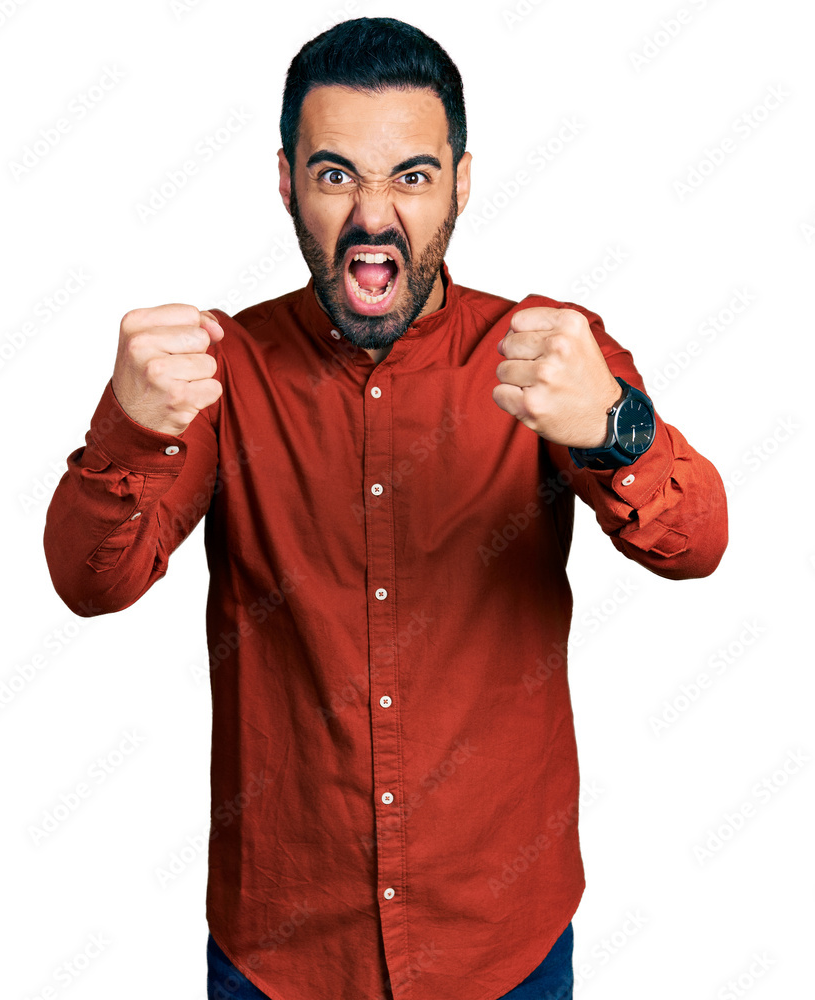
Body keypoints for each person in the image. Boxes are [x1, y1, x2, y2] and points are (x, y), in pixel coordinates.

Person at [43, 16, 728, 1000]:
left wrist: (610, 424)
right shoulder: (219, 370)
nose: (374, 215)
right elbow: (88, 583)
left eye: (410, 175)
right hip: (281, 953)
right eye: (335, 176)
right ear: (287, 184)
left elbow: (698, 540)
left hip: (505, 944)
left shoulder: (547, 353)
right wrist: (129, 427)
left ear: (459, 180)